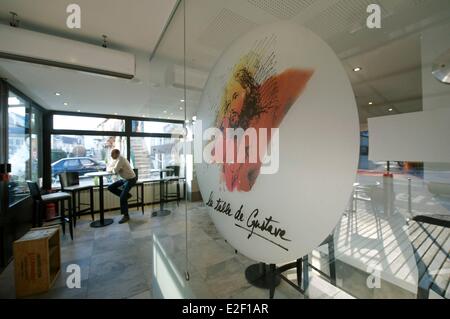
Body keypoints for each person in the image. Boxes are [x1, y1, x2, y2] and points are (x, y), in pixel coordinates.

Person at [107, 149, 137, 223]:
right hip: (125, 179)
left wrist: (114, 169)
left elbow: (115, 171)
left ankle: (126, 216)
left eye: (112, 154)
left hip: (131, 179)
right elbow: (108, 168)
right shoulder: (116, 160)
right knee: (110, 187)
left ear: (117, 154)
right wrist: (113, 169)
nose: (111, 155)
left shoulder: (121, 159)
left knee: (122, 197)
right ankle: (127, 195)